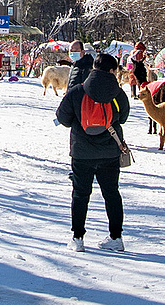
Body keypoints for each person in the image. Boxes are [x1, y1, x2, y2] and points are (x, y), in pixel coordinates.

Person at [55, 51, 131, 252]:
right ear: (113, 70)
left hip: (82, 151)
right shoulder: (118, 94)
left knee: (80, 194)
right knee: (112, 193)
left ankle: (78, 238)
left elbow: (63, 118)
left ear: (93, 68)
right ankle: (116, 238)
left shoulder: (77, 91)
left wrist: (80, 124)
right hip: (110, 152)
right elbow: (123, 118)